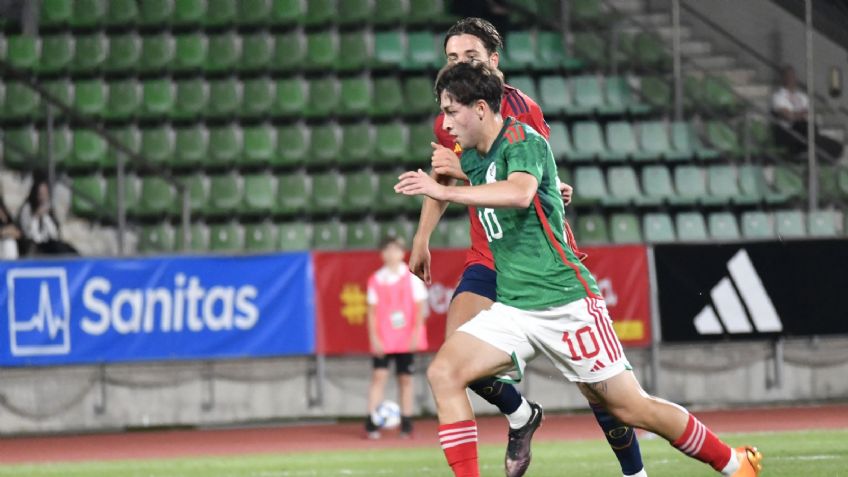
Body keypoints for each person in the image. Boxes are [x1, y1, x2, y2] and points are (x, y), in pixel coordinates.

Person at [396, 62, 762, 477]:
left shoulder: (523, 138)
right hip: (516, 308)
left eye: (451, 111)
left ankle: (733, 463)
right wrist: (434, 211)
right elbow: (490, 178)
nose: (445, 122)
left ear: (481, 108)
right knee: (444, 372)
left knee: (630, 406)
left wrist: (443, 186)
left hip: (566, 302)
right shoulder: (477, 156)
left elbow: (519, 192)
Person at [409, 17, 645, 477]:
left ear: (493, 61)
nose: (460, 64)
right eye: (452, 57)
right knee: (454, 362)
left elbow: (525, 176)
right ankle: (522, 415)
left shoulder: (523, 109)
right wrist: (422, 238)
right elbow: (443, 175)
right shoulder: (450, 114)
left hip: (537, 255)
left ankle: (634, 472)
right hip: (488, 252)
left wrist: (551, 185)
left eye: (470, 57)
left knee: (599, 390)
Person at [364, 236, 429, 439]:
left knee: (405, 379)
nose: (392, 254)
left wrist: (416, 334)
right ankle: (372, 421)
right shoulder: (375, 279)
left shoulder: (412, 277)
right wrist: (374, 338)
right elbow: (372, 312)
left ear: (402, 253)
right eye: (387, 250)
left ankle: (407, 421)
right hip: (384, 337)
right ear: (382, 254)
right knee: (379, 376)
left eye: (396, 249)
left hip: (405, 337)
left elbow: (420, 309)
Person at [772, 65, 843, 162]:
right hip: (789, 131)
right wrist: (800, 114)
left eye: (793, 76)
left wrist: (798, 114)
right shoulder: (778, 96)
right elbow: (788, 116)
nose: (791, 78)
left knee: (836, 146)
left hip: (807, 129)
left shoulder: (802, 97)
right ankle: (804, 155)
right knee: (805, 128)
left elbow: (808, 114)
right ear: (783, 78)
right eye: (788, 76)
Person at [18, 173, 78, 256]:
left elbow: (54, 233)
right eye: (40, 194)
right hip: (35, 242)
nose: (43, 197)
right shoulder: (28, 208)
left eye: (45, 194)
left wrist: (46, 216)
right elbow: (28, 232)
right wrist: (37, 216)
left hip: (50, 241)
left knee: (69, 249)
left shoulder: (50, 209)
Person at [0, 194, 21, 259]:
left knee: (10, 242)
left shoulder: (7, 216)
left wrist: (6, 231)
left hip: (9, 246)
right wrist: (5, 231)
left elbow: (18, 233)